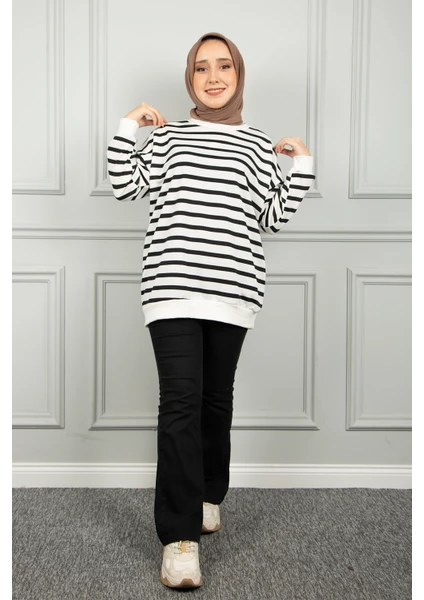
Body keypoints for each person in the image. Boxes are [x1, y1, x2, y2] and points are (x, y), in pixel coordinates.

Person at [106, 31, 315, 589]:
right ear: (190, 78)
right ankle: (179, 541)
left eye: (225, 66)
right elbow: (124, 186)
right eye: (202, 68)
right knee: (180, 402)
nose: (214, 76)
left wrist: (301, 166)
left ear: (239, 75)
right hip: (171, 285)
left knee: (214, 400)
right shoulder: (169, 137)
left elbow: (271, 218)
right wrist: (128, 127)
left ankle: (207, 495)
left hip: (234, 289)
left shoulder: (257, 144)